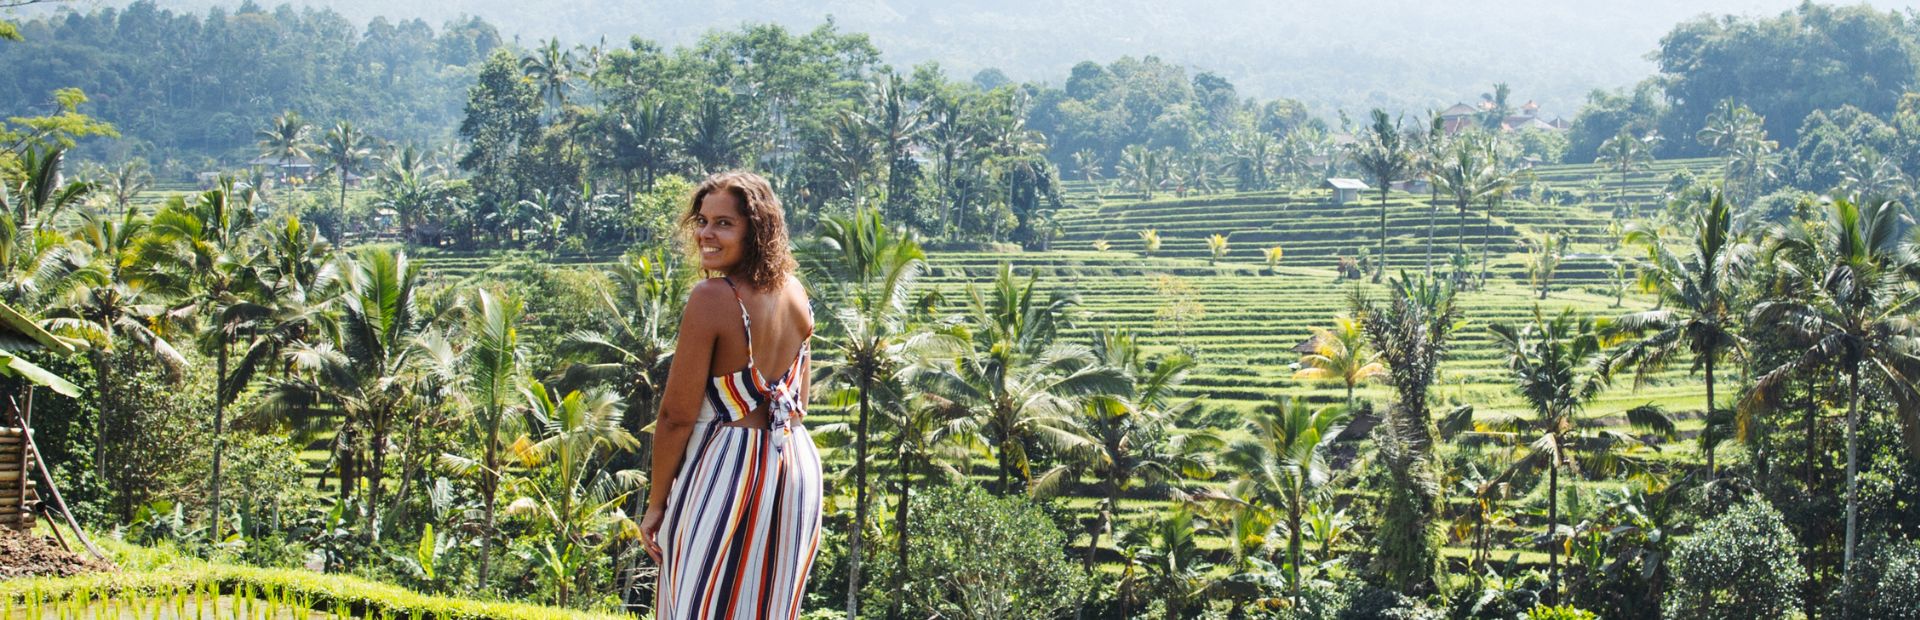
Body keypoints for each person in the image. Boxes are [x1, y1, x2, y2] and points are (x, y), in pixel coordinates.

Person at [640, 171, 824, 619]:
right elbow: (799, 401)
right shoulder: (795, 291)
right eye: (702, 221)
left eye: (724, 223)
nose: (706, 233)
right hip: (793, 466)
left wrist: (657, 502)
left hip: (727, 466)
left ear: (756, 230)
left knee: (700, 603)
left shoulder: (712, 297)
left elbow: (676, 416)